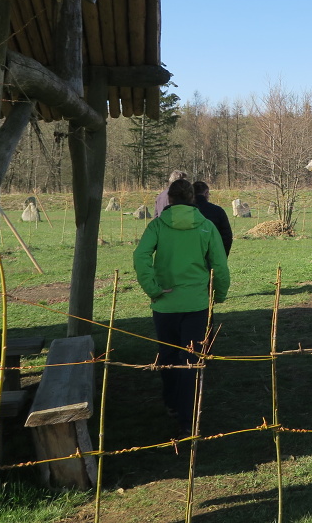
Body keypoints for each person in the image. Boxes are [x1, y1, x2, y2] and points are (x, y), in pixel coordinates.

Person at [134, 179, 230, 435]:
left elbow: (140, 256)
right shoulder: (207, 227)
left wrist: (152, 288)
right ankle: (188, 415)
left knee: (167, 356)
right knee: (191, 358)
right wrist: (218, 294)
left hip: (165, 304)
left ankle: (172, 403)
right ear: (192, 198)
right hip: (197, 303)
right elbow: (219, 265)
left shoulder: (156, 226)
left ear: (170, 199)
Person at [192, 181, 233, 257]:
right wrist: (222, 256)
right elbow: (226, 236)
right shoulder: (218, 211)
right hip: (212, 254)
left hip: (190, 256)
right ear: (206, 193)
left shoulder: (187, 211)